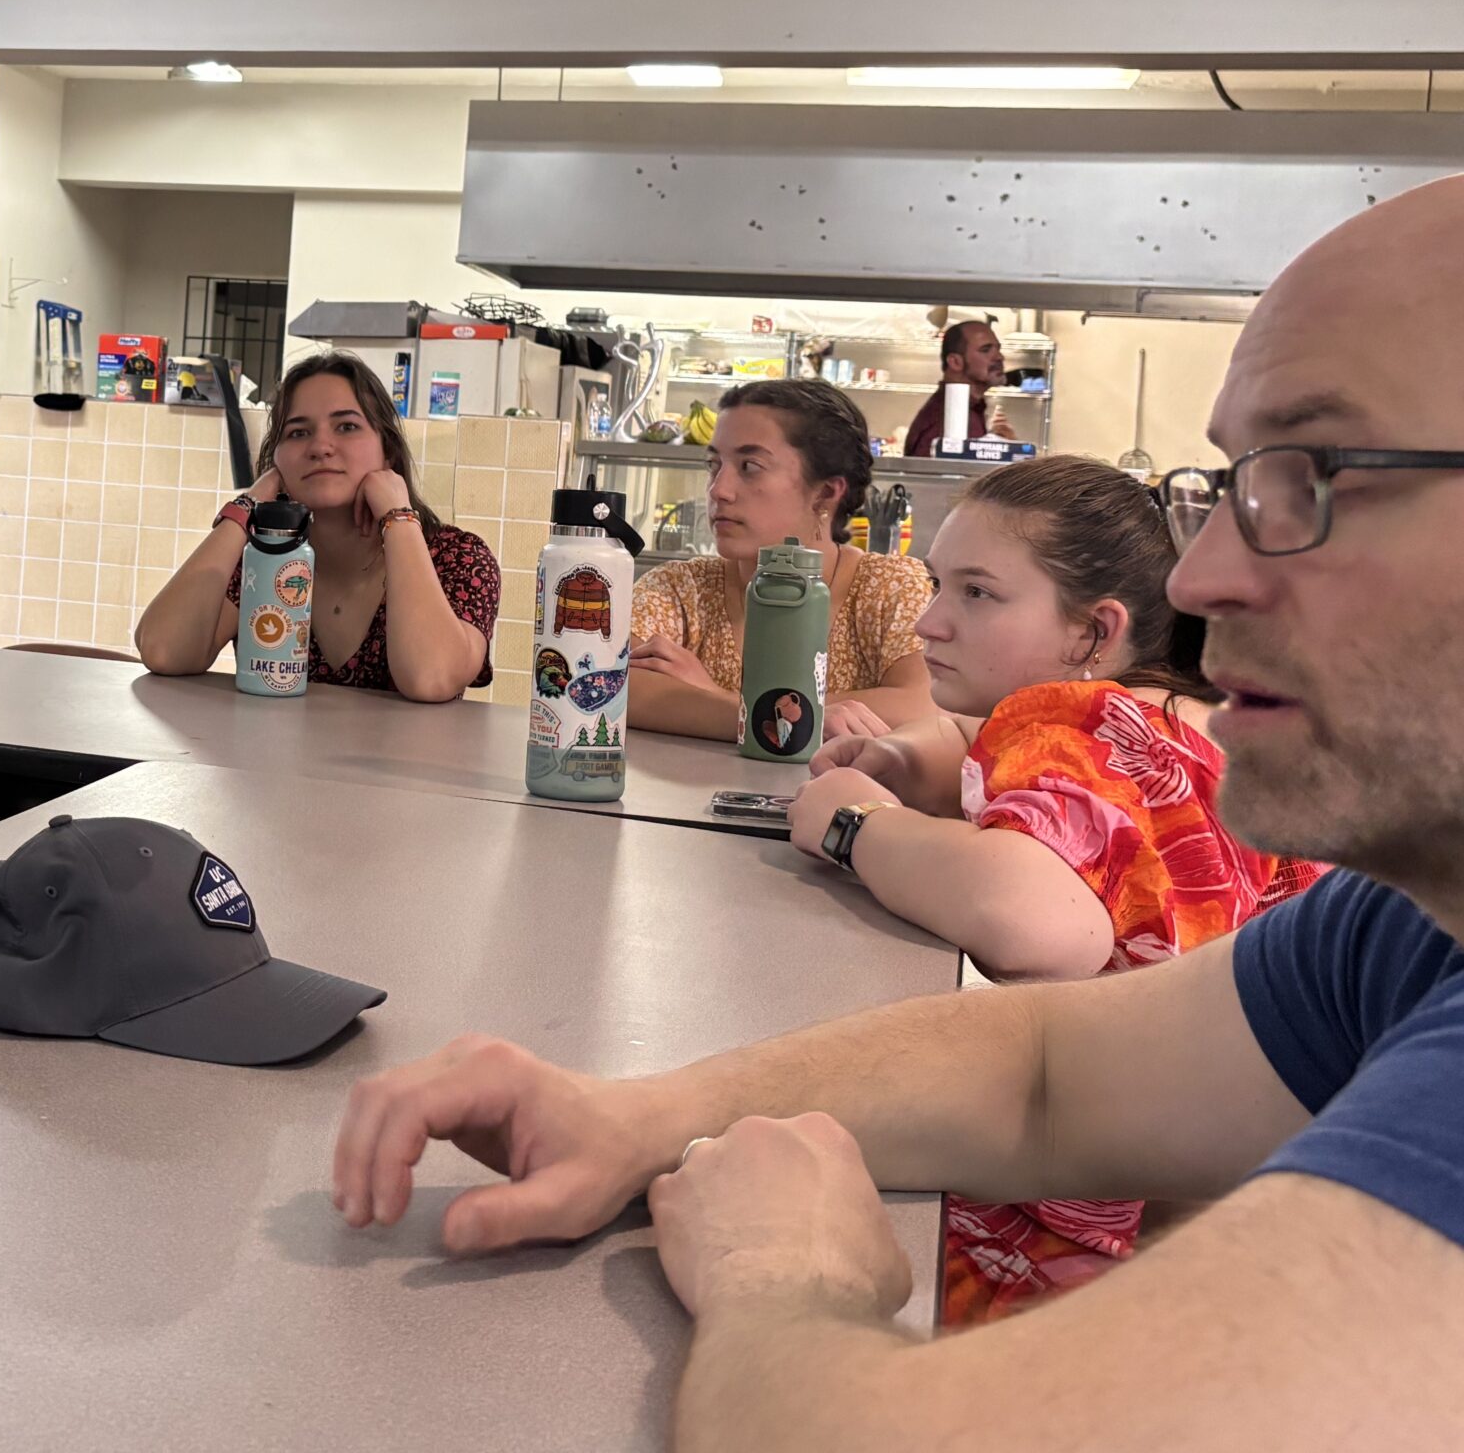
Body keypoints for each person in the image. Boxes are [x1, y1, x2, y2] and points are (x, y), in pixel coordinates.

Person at [326, 174, 1464, 1448]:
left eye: (1313, 475)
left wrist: (782, 1281)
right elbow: (1045, 1072)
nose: (1199, 577)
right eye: (1236, 482)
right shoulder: (1413, 926)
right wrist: (634, 1115)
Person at [785, 454, 1321, 1325]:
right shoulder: (1199, 728)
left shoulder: (1066, 713)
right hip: (1207, 1245)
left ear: (1091, 636)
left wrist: (852, 824)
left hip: (1045, 1247)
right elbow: (971, 746)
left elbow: (1039, 919)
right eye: (935, 586)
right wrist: (894, 759)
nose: (929, 623)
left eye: (977, 594)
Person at [134, 351, 499, 701]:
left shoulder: (458, 557)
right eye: (297, 432)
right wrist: (246, 507)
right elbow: (164, 650)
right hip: (268, 763)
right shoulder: (262, 560)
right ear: (275, 462)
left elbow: (431, 678)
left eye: (346, 426)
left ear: (387, 449)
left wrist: (399, 518)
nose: (321, 446)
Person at [628, 380, 935, 740]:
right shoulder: (680, 589)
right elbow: (611, 685)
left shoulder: (889, 587)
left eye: (750, 466)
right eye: (714, 464)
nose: (718, 490)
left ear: (825, 492)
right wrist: (787, 722)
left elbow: (922, 705)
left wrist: (715, 698)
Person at [903, 318, 1017, 456]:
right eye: (985, 350)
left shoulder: (971, 409)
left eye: (998, 349)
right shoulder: (944, 419)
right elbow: (931, 475)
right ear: (955, 362)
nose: (999, 357)